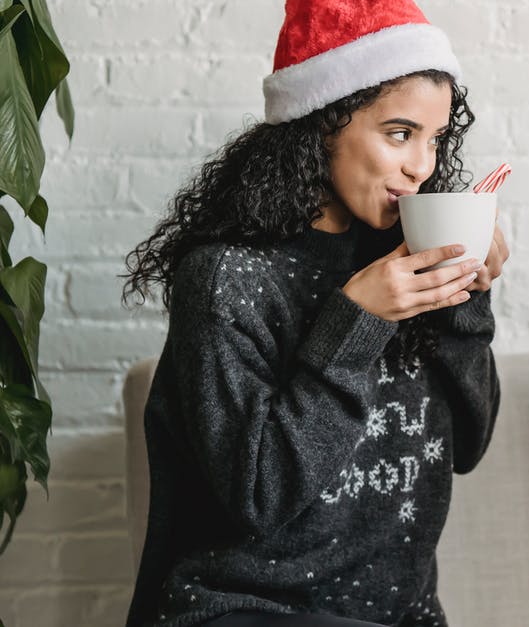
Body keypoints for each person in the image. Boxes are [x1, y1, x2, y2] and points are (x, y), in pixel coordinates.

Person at [121, 1, 507, 625]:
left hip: (398, 614)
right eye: (400, 133)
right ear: (321, 122)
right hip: (242, 609)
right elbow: (260, 496)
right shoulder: (227, 278)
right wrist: (355, 324)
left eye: (435, 139)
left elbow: (467, 446)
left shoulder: (404, 260)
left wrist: (467, 299)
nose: (422, 166)